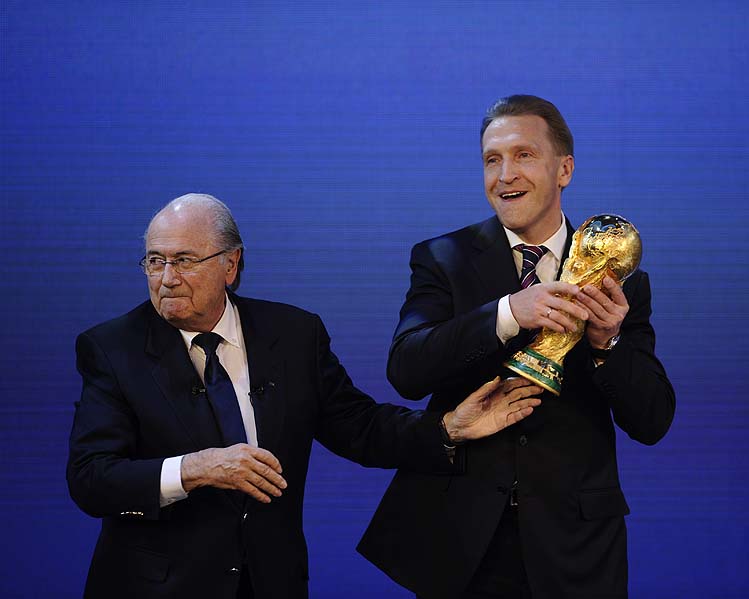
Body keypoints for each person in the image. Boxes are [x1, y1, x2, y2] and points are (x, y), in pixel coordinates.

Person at [66, 193, 543, 599]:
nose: (166, 277)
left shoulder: (293, 334)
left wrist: (446, 427)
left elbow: (359, 427)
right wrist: (194, 469)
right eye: (154, 260)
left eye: (184, 261)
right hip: (158, 586)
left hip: (271, 581)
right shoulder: (111, 348)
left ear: (230, 264)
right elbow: (91, 478)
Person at [358, 95, 676, 598]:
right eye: (492, 159)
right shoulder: (443, 258)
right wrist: (508, 313)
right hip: (461, 543)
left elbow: (653, 420)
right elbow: (407, 368)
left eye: (524, 155)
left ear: (564, 169)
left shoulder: (620, 280)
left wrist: (606, 343)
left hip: (575, 550)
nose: (505, 174)